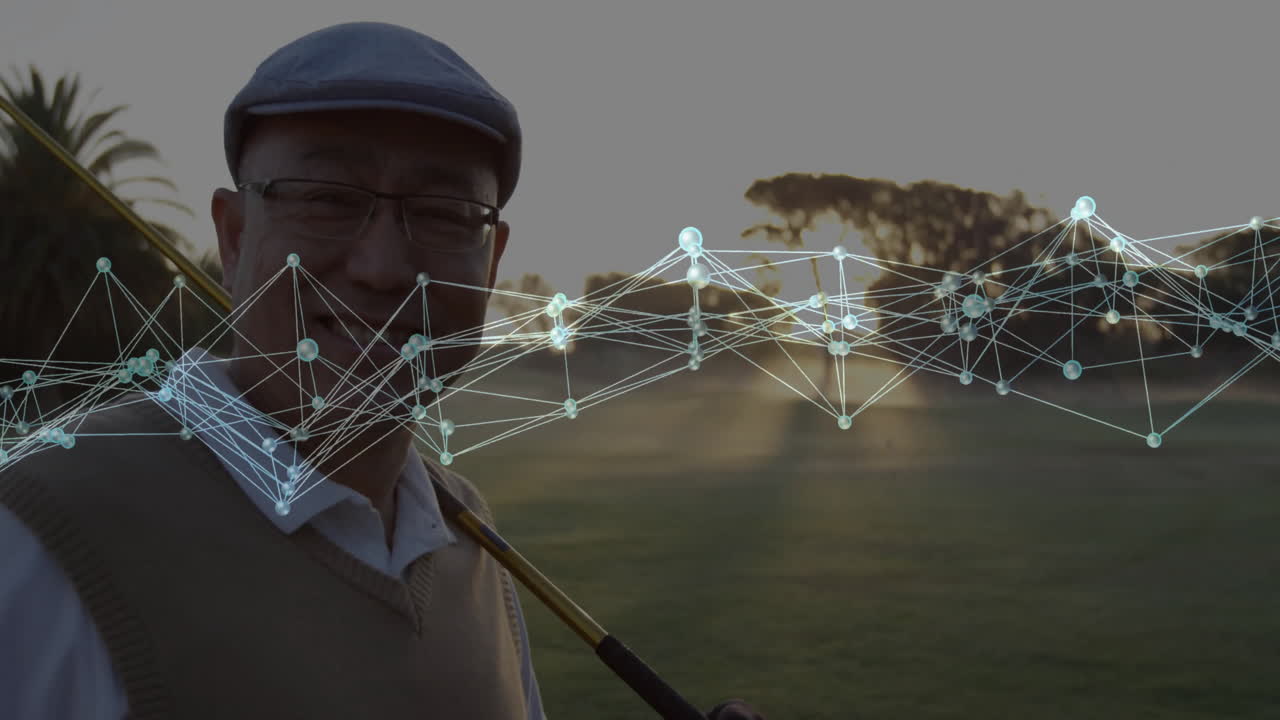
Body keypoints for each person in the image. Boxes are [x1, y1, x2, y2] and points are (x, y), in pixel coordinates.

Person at [0, 21, 766, 719]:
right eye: (326, 199)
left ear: (492, 262)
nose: (383, 266)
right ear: (232, 240)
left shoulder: (467, 539)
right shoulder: (38, 534)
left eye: (444, 214)